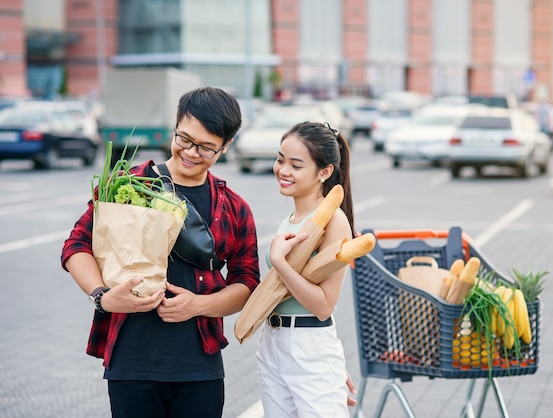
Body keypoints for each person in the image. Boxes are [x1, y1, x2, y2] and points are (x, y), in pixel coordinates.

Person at [61, 87, 260, 418]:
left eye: (206, 147)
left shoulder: (233, 207)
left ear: (225, 147)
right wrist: (103, 297)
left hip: (200, 366)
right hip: (131, 361)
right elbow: (76, 244)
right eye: (184, 139)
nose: (191, 152)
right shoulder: (125, 183)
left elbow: (247, 281)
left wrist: (198, 305)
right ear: (176, 126)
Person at [256, 121, 355, 417]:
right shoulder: (292, 218)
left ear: (324, 172)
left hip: (309, 345)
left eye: (296, 165)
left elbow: (324, 306)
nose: (283, 171)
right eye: (280, 159)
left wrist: (280, 264)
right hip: (273, 343)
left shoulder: (333, 222)